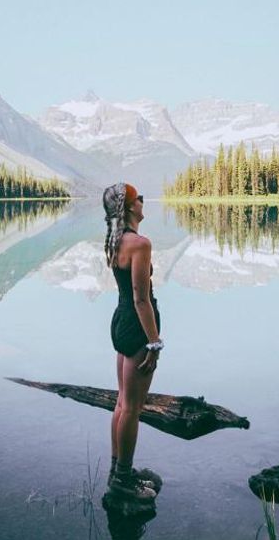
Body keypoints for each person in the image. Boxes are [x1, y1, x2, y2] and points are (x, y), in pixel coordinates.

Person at [103, 183, 163, 501]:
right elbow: (142, 299)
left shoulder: (114, 241)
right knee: (133, 409)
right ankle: (124, 481)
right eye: (138, 197)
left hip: (120, 322)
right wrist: (154, 343)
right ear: (128, 207)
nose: (142, 200)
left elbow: (130, 295)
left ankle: (118, 470)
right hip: (137, 327)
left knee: (122, 403)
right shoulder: (140, 244)